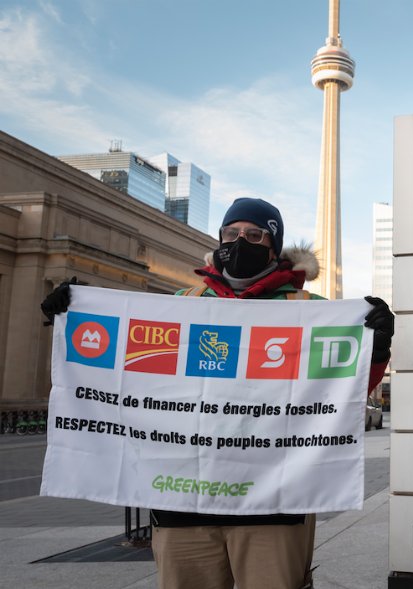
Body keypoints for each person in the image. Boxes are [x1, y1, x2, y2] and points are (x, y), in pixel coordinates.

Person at [41, 197, 394, 589]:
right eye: (232, 233)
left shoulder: (308, 310)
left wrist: (375, 350)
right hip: (182, 511)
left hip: (274, 509)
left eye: (254, 234)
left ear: (273, 246)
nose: (240, 241)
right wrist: (71, 317)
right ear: (220, 239)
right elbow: (124, 372)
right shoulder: (183, 305)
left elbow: (347, 388)